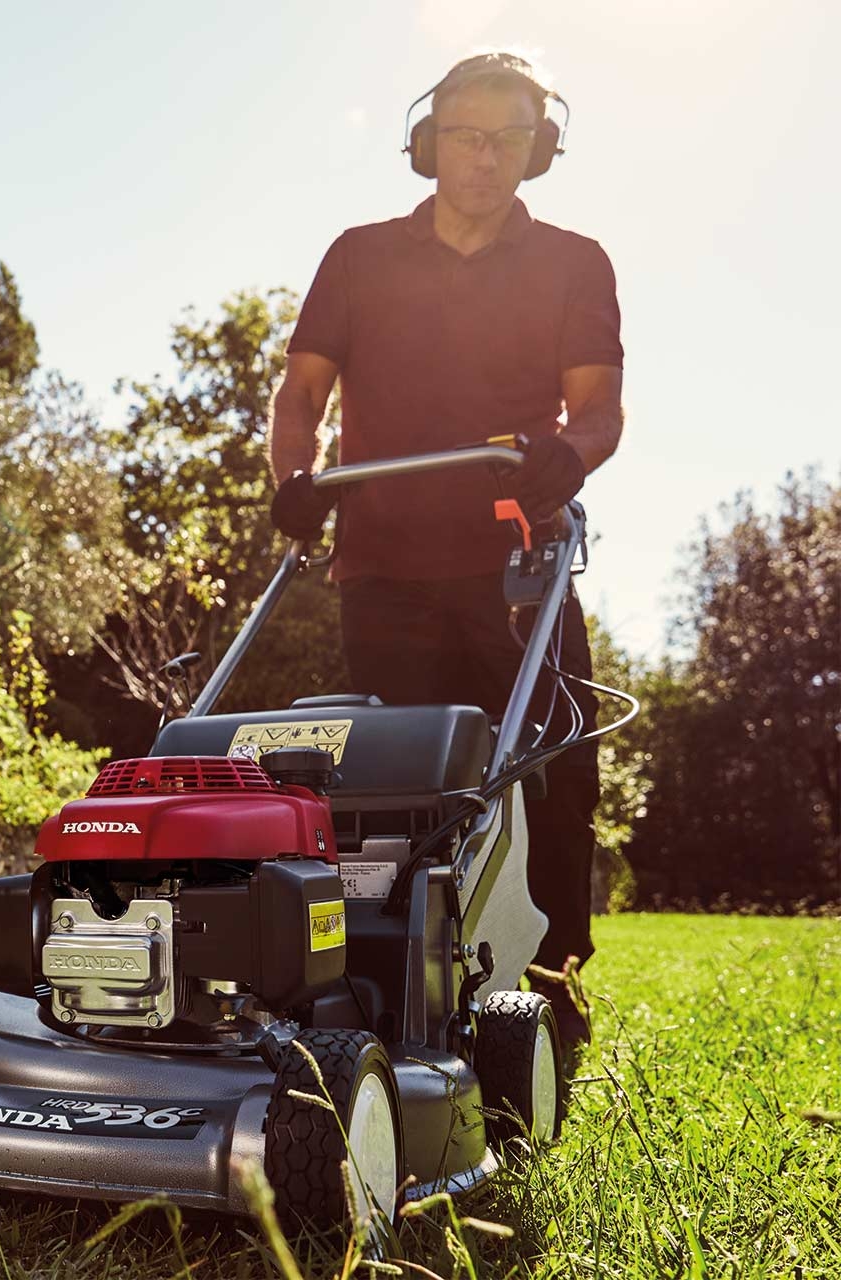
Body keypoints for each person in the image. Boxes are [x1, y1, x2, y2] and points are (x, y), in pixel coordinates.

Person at [267, 52, 624, 1046]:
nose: (482, 156)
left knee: (553, 780)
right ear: (427, 143)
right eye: (465, 134)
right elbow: (300, 395)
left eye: (507, 138)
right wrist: (290, 477)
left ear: (536, 148)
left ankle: (550, 994)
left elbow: (598, 411)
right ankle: (395, 988)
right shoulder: (357, 256)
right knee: (390, 794)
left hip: (516, 567)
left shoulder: (571, 262)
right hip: (381, 567)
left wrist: (565, 455)